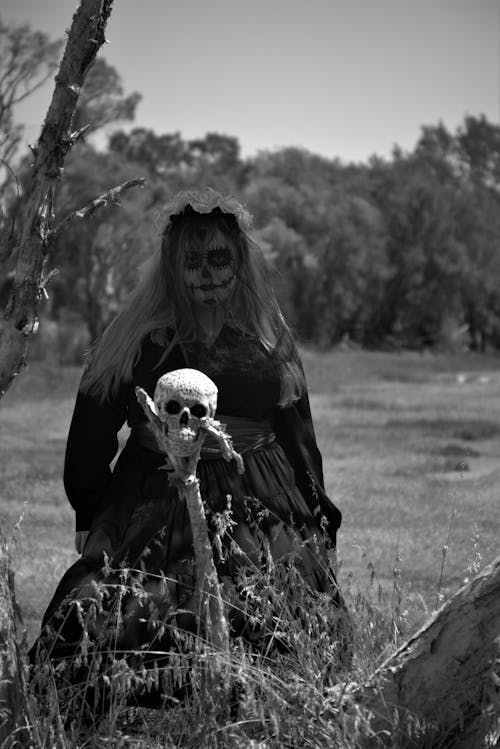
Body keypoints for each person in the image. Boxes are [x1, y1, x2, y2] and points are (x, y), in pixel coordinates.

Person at [30, 187, 346, 706]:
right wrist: (91, 507)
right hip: (153, 491)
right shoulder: (136, 339)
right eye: (192, 260)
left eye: (220, 257)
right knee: (114, 609)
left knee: (280, 610)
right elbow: (92, 424)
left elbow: (298, 433)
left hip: (261, 491)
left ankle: (265, 712)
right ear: (172, 265)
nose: (208, 273)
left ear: (239, 262)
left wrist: (317, 510)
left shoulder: (268, 341)